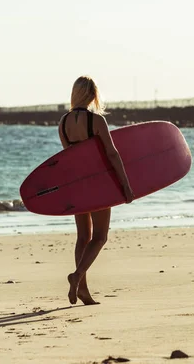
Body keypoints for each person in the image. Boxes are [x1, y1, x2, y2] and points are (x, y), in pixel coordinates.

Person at [58, 75, 135, 305]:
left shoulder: (63, 123)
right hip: (99, 185)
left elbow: (70, 157)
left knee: (83, 237)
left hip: (77, 185)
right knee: (100, 237)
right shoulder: (97, 121)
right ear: (92, 95)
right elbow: (112, 154)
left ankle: (83, 290)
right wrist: (125, 184)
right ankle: (77, 276)